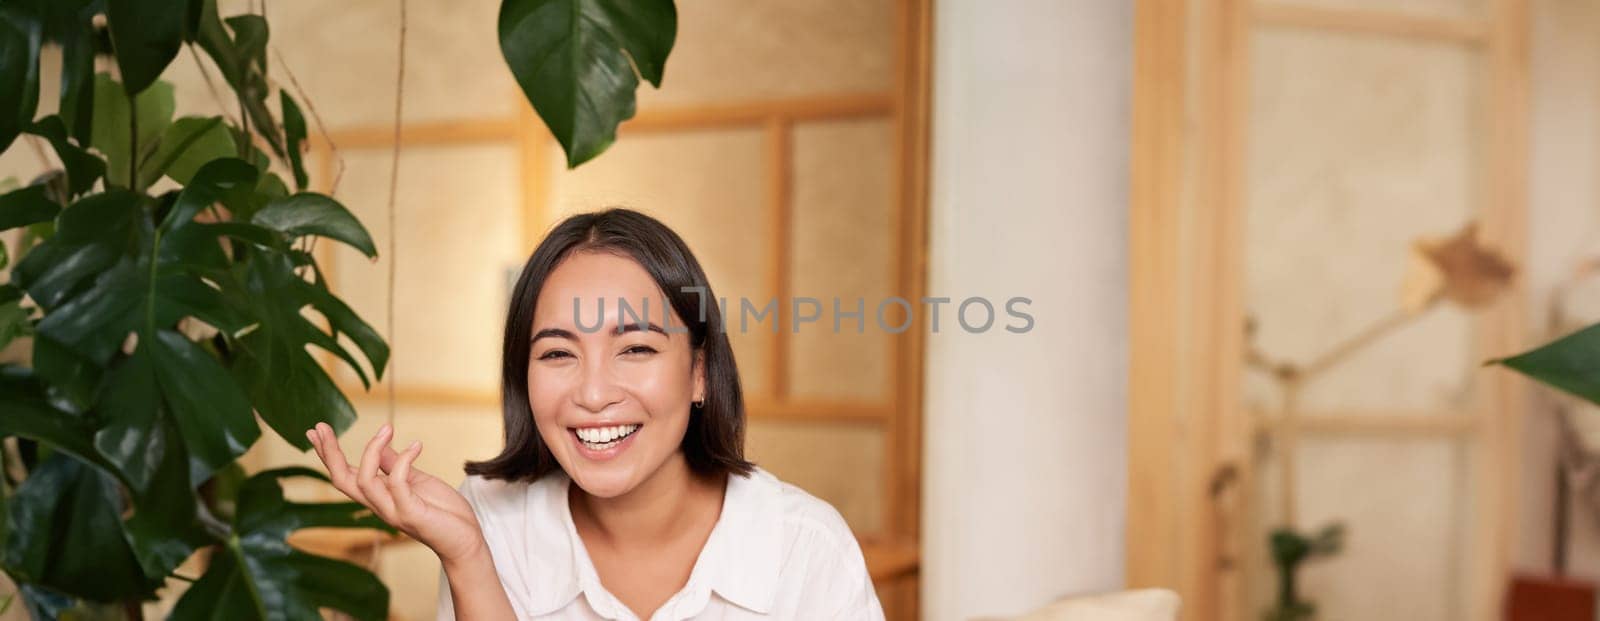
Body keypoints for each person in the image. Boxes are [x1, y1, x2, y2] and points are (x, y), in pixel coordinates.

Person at [306, 208, 885, 620]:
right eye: (558, 353)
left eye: (636, 349)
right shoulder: (490, 524)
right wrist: (469, 559)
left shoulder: (804, 547)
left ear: (701, 372)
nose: (593, 392)